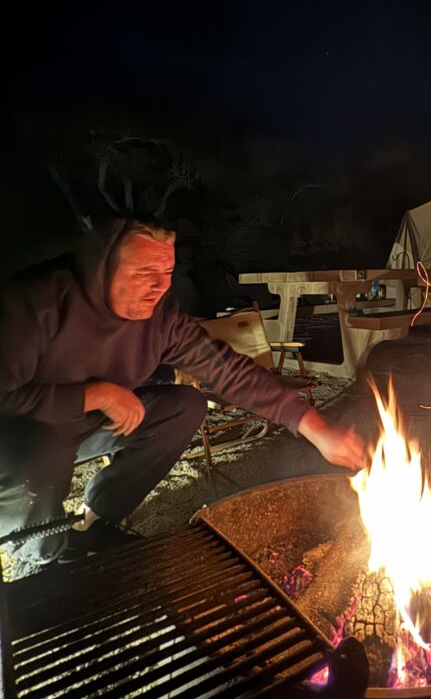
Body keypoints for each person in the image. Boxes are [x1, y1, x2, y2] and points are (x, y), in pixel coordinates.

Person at [0, 219, 368, 564]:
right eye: (144, 273)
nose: (159, 287)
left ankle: (94, 521)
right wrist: (94, 395)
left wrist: (310, 423)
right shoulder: (36, 302)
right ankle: (40, 557)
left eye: (166, 273)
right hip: (22, 435)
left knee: (185, 406)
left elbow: (226, 370)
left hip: (87, 428)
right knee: (37, 448)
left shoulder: (161, 319)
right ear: (103, 267)